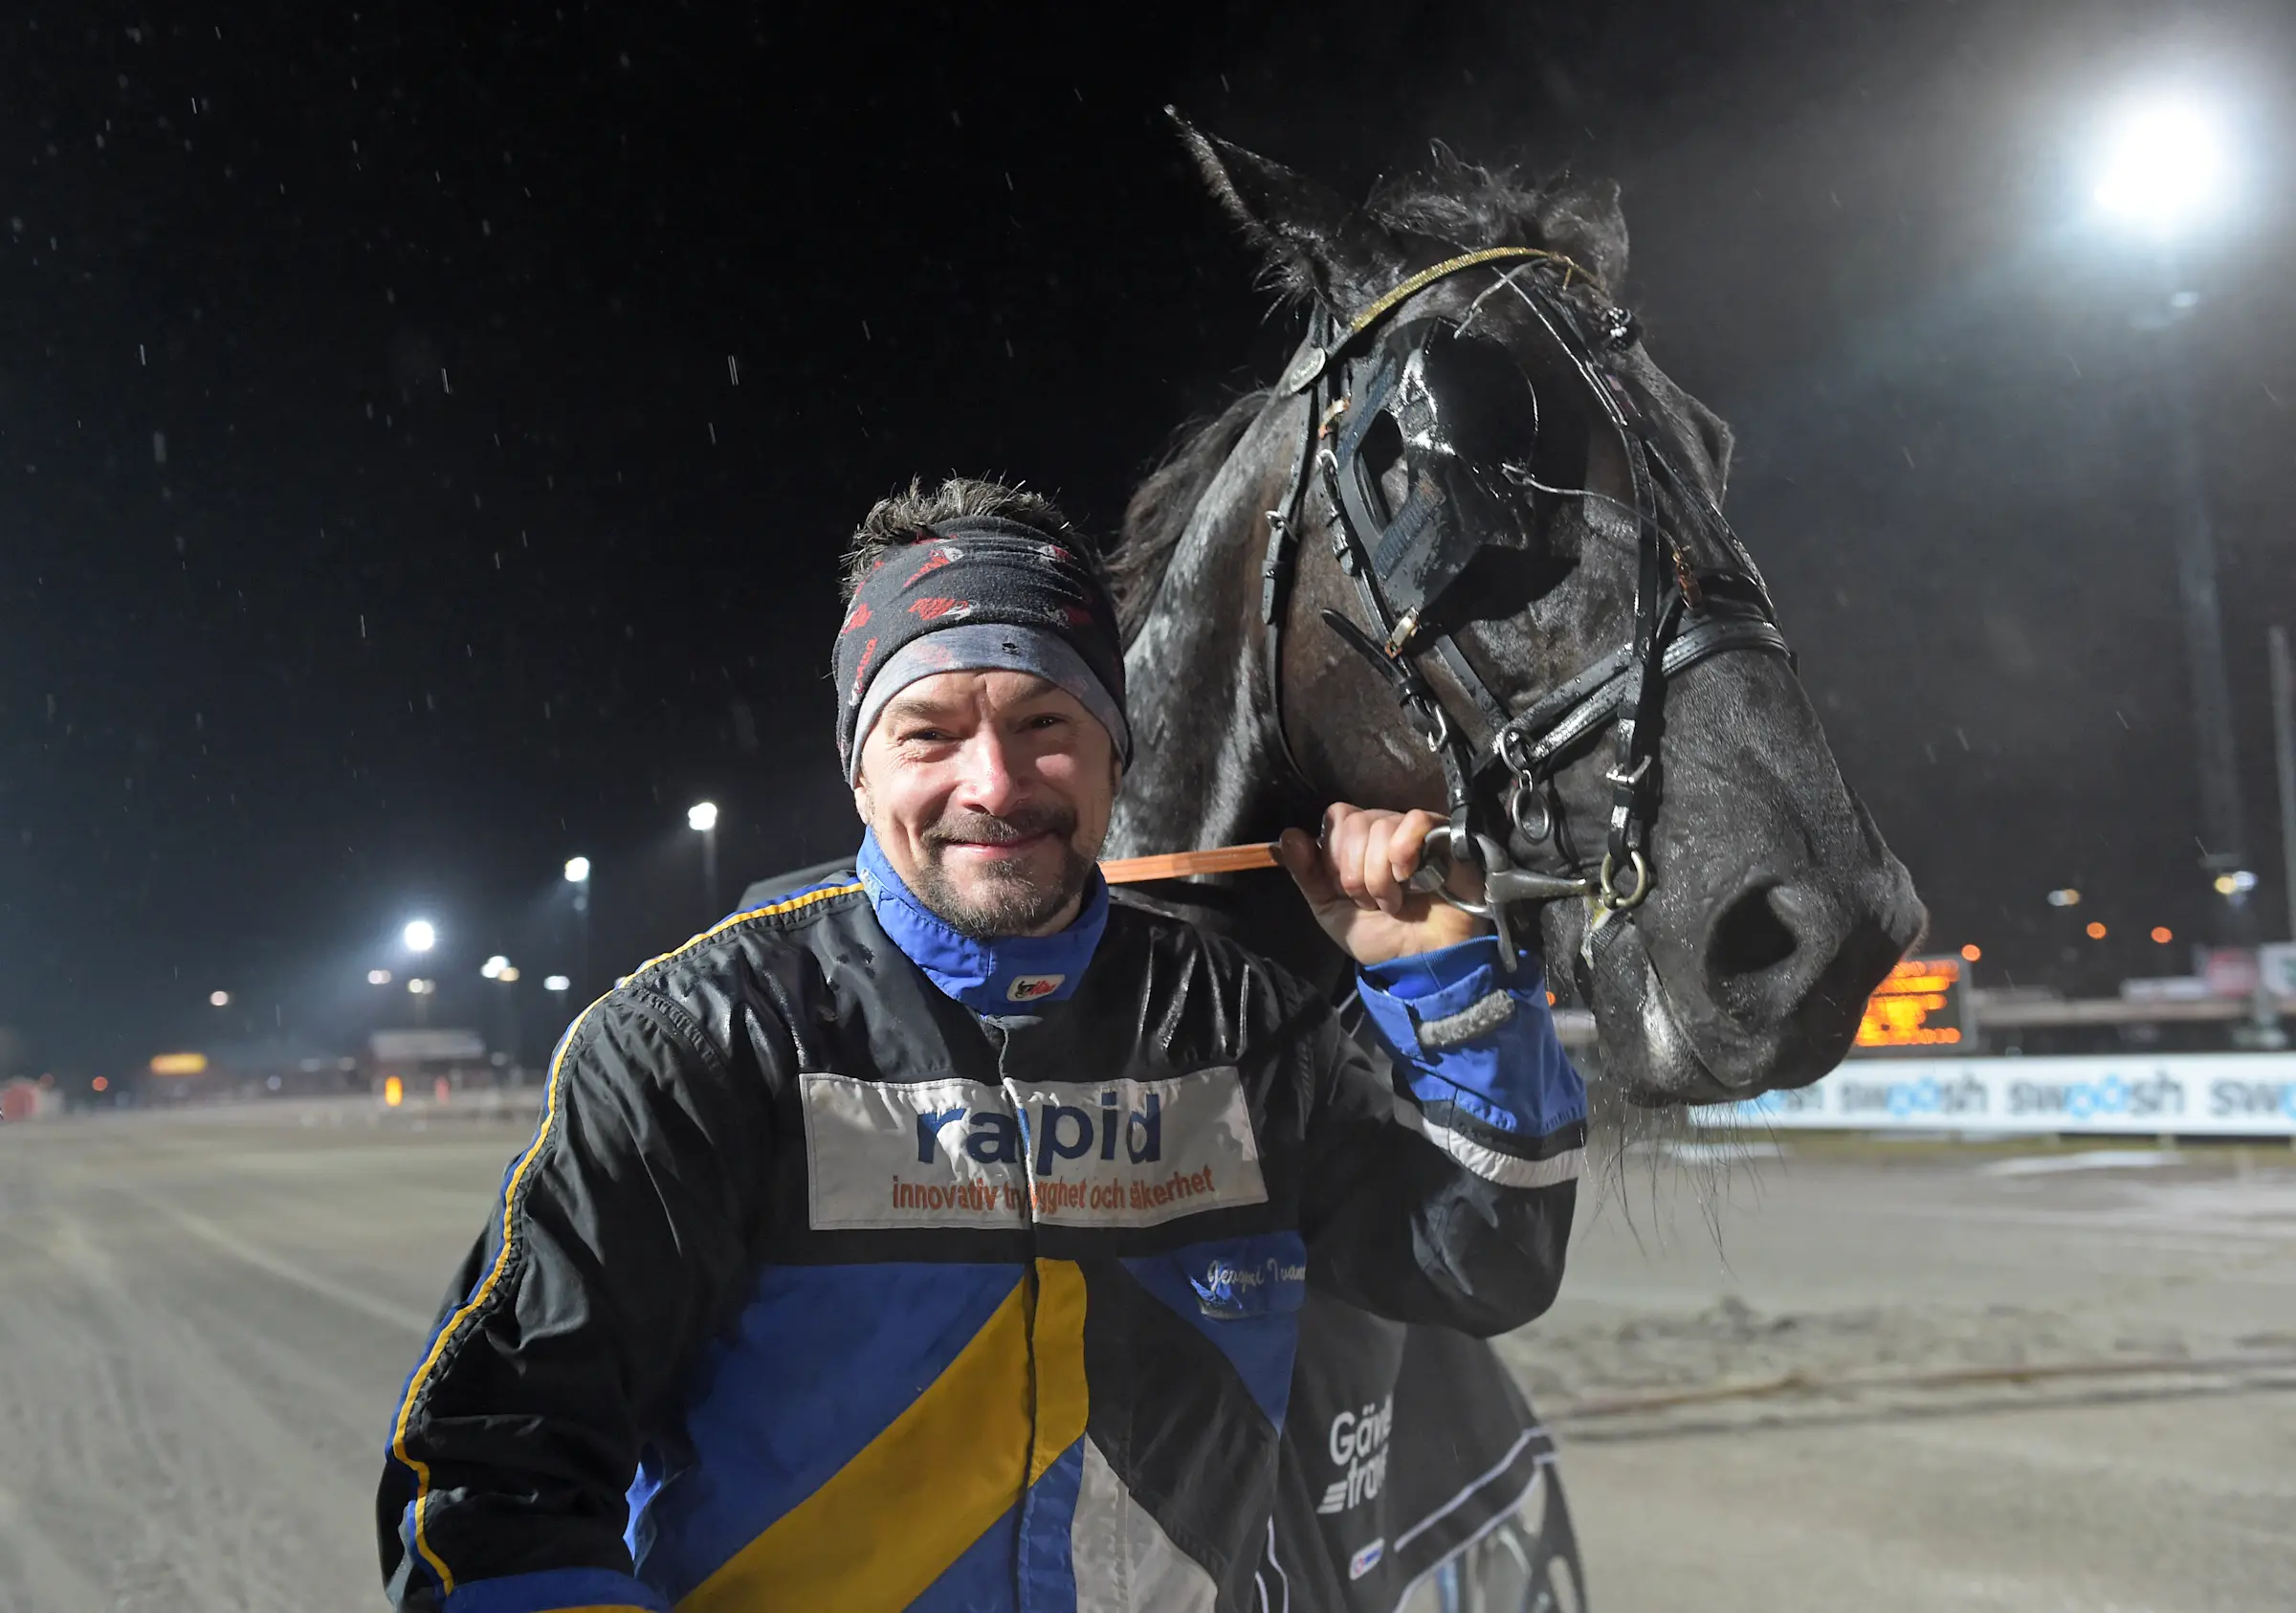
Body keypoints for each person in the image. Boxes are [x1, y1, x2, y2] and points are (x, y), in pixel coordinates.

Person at [376, 476, 1587, 1613]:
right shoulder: (697, 1044)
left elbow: (1480, 1262)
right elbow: (492, 1470)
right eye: (929, 732)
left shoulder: (1244, 1024)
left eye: (1043, 719)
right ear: (859, 767)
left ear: (1116, 748)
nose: (995, 781)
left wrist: (1439, 969)